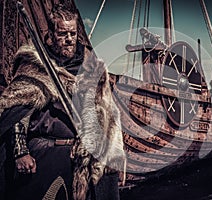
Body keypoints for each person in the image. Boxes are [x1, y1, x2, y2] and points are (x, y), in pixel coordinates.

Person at [0, 4, 125, 200]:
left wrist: (115, 155)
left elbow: (108, 114)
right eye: (62, 34)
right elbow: (17, 109)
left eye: (73, 34)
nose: (68, 39)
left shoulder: (91, 66)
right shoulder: (35, 64)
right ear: (51, 33)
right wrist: (20, 151)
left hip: (83, 158)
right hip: (45, 155)